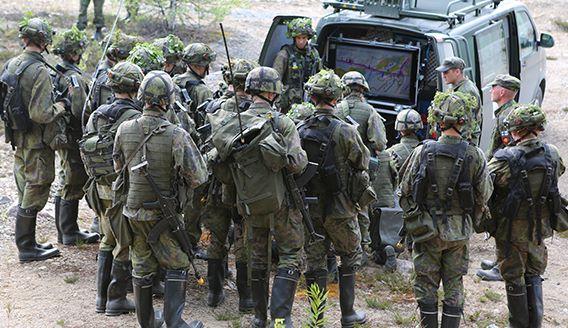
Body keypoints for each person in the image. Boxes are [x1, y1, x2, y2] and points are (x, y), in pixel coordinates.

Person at [113, 70, 208, 328]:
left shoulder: (124, 129)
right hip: (162, 216)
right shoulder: (176, 134)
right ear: (167, 101)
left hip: (132, 212)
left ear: (142, 97)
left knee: (141, 265)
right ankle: (174, 323)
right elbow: (199, 177)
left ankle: (148, 323)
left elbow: (118, 168)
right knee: (178, 262)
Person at [398, 91, 492, 328]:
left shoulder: (421, 151)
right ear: (464, 121)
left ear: (438, 121)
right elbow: (485, 194)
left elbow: (404, 189)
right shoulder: (475, 155)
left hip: (426, 231)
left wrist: (414, 220)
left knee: (426, 283)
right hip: (459, 232)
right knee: (454, 283)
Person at [299, 69, 373, 327]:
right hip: (341, 208)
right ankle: (348, 314)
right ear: (336, 97)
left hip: (311, 207)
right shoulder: (346, 130)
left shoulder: (300, 128)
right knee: (350, 255)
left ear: (313, 97)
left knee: (315, 261)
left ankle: (317, 318)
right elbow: (362, 160)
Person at [487, 104, 564, 328]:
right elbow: (558, 173)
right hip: (539, 229)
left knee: (513, 277)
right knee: (534, 274)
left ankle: (518, 325)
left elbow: (486, 184)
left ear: (516, 131)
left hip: (510, 230)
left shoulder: (504, 159)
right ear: (538, 128)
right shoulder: (553, 153)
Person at [2, 17, 68, 262]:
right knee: (36, 187)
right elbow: (41, 113)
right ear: (44, 41)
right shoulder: (39, 70)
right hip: (36, 140)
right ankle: (26, 247)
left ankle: (28, 243)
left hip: (18, 137)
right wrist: (61, 105)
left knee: (24, 186)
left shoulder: (11, 64)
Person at [82, 61, 144, 316]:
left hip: (99, 189)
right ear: (136, 87)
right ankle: (116, 298)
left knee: (107, 238)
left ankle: (101, 297)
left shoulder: (98, 114)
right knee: (124, 242)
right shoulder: (135, 118)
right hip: (122, 190)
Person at [202, 58, 257, 312]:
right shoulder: (256, 112)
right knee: (243, 240)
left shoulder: (212, 108)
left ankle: (214, 293)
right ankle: (246, 299)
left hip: (216, 183)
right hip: (245, 187)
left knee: (216, 237)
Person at [52, 26, 100, 246]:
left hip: (61, 135)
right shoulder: (73, 78)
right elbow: (81, 111)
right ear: (73, 53)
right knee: (73, 180)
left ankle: (64, 231)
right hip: (73, 136)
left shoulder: (56, 71)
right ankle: (69, 232)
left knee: (65, 179)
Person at [336, 71, 386, 261]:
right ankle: (362, 250)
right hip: (360, 169)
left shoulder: (337, 109)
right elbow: (380, 144)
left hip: (338, 169)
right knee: (362, 207)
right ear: (363, 89)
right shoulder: (370, 111)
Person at [173, 42, 217, 260]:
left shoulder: (173, 82)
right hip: (194, 150)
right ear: (203, 65)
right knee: (194, 200)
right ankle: (190, 242)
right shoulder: (201, 90)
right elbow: (208, 126)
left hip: (173, 148)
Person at [477, 74, 521, 282]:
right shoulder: (508, 112)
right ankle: (499, 260)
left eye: (494, 87)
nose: (491, 91)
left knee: (504, 223)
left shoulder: (506, 117)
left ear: (502, 91)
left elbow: (504, 149)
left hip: (504, 176)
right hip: (504, 173)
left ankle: (503, 267)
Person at [370, 108, 423, 269]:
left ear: (399, 130)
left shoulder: (391, 153)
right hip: (421, 205)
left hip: (400, 203)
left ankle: (388, 248)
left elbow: (385, 184)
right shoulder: (426, 150)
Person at [273, 17, 322, 114]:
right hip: (289, 104)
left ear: (308, 38)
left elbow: (320, 75)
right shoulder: (284, 54)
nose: (300, 41)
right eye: (298, 38)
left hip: (309, 102)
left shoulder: (314, 54)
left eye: (303, 38)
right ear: (294, 38)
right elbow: (275, 78)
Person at [436, 56, 482, 144]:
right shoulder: (457, 87)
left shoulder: (466, 91)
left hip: (464, 141)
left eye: (446, 72)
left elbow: (466, 122)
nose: (443, 76)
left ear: (457, 72)